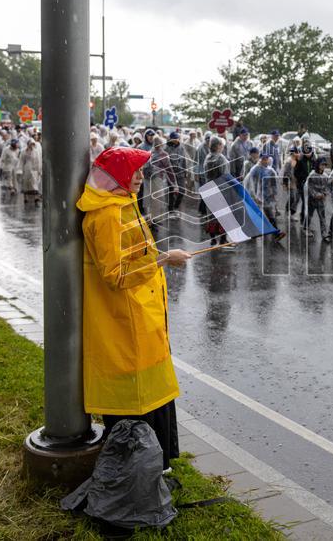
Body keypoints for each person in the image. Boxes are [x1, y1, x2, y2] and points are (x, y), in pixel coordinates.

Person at [76, 147, 192, 469]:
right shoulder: (106, 215)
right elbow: (115, 274)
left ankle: (158, 465)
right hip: (124, 323)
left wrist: (160, 258)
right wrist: (164, 258)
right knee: (135, 400)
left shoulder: (123, 203)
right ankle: (139, 471)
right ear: (115, 177)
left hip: (142, 317)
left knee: (153, 395)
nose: (141, 177)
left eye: (142, 171)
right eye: (134, 171)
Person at [244, 152, 285, 241]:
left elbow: (274, 184)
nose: (265, 161)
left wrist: (274, 195)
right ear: (261, 159)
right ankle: (252, 232)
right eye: (264, 159)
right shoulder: (255, 170)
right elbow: (251, 184)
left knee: (270, 215)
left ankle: (276, 233)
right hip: (256, 197)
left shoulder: (270, 171)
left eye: (266, 159)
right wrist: (254, 197)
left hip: (266, 197)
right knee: (255, 215)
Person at [203, 136, 230, 244]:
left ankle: (213, 239)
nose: (223, 146)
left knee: (211, 215)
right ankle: (223, 239)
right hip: (220, 190)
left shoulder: (208, 157)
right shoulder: (221, 158)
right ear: (218, 145)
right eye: (222, 144)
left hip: (209, 189)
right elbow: (225, 176)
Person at [305, 158, 333, 241]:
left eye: (325, 165)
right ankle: (306, 228)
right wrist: (315, 195)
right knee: (309, 215)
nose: (323, 167)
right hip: (312, 200)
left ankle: (324, 234)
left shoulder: (325, 176)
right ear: (317, 165)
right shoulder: (312, 175)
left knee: (322, 217)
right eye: (322, 165)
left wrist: (324, 194)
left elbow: (327, 187)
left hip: (321, 200)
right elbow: (309, 187)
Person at [21, 139, 42, 205]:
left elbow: (38, 161)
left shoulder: (36, 152)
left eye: (33, 144)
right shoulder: (24, 151)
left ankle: (36, 198)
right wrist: (20, 169)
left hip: (34, 169)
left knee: (34, 183)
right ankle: (25, 198)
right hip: (26, 168)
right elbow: (21, 161)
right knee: (26, 183)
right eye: (31, 144)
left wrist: (39, 170)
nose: (32, 146)